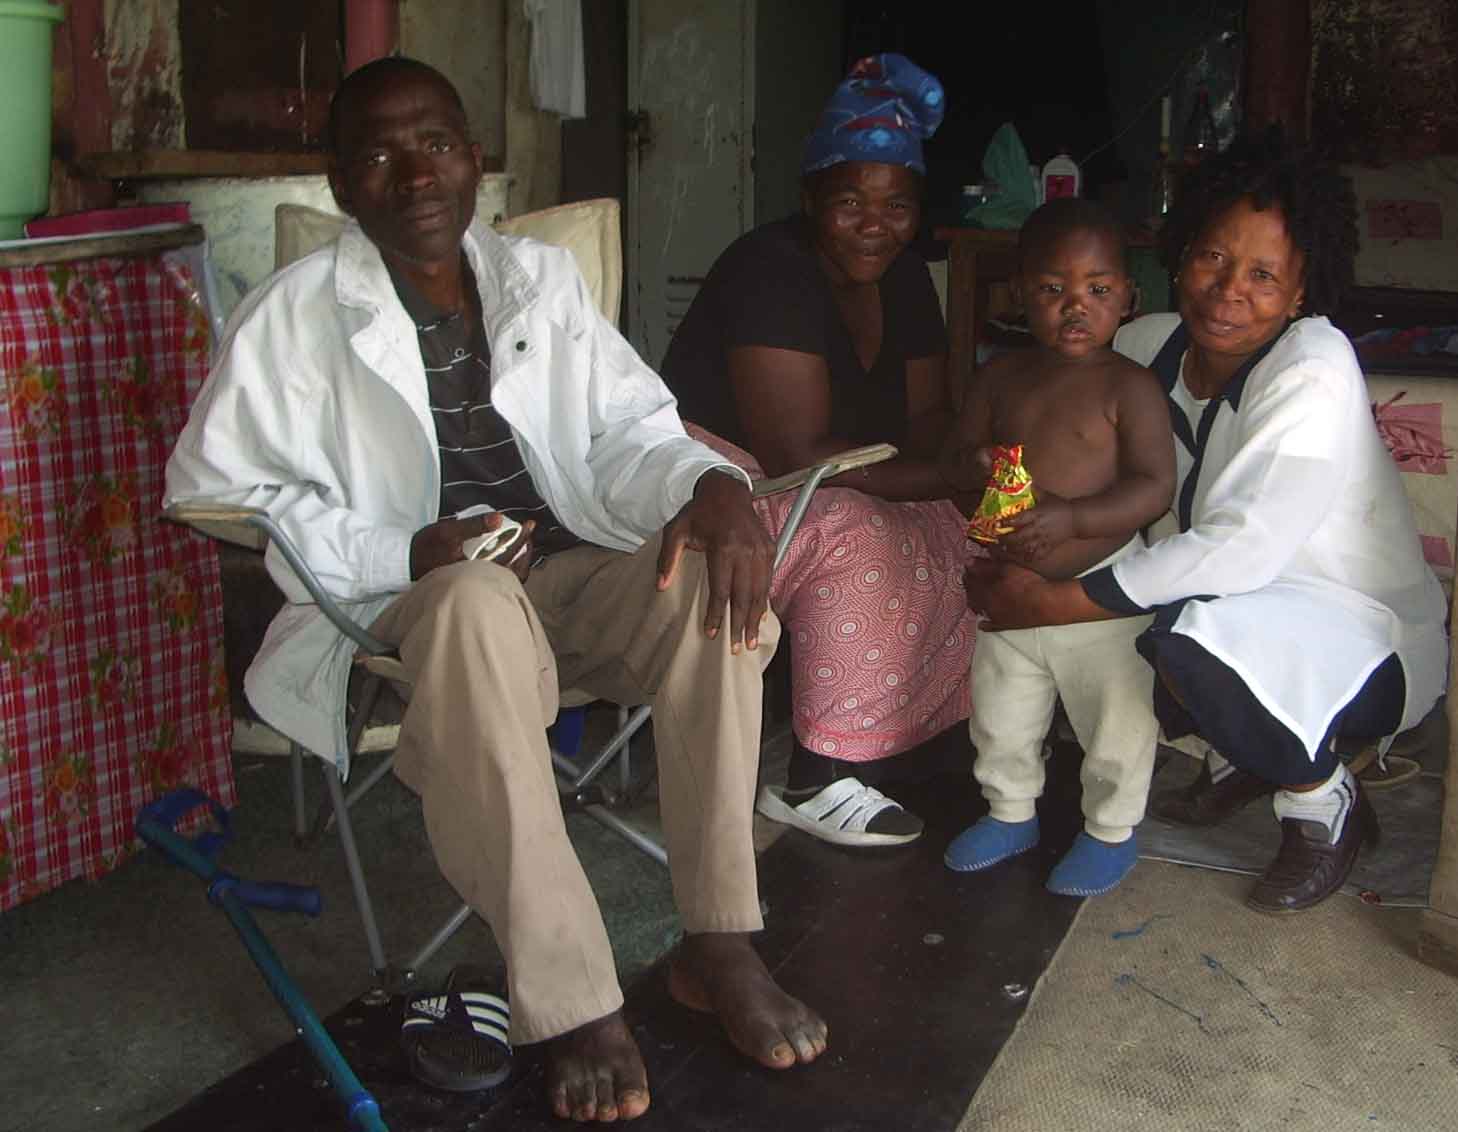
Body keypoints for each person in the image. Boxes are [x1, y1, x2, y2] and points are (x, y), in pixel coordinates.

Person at [165, 57, 827, 1123]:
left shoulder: (539, 280)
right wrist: (405, 549)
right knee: (473, 601)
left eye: (434, 143)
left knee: (708, 580)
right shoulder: (291, 317)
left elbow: (629, 432)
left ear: (475, 158)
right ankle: (571, 1005)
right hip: (421, 606)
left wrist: (707, 484)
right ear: (341, 183)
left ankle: (720, 941)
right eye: (378, 154)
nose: (414, 174)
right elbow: (221, 490)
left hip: (573, 571)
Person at [963, 131, 1449, 914]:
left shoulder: (1313, 366)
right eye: (1214, 258)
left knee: (1178, 639)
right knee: (1136, 642)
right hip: (1231, 614)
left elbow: (1243, 548)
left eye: (1264, 275)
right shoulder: (1145, 347)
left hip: (1360, 640)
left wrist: (1059, 600)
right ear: (1180, 255)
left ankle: (1320, 800)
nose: (1228, 291)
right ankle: (1245, 756)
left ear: (1301, 291)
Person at [661, 53, 981, 849]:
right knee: (856, 531)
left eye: (897, 205)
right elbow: (793, 449)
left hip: (832, 471)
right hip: (723, 482)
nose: (876, 225)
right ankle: (817, 772)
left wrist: (968, 476)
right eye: (849, 203)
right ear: (810, 201)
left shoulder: (905, 279)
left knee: (966, 527)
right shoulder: (769, 270)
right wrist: (939, 474)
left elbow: (930, 413)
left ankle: (912, 735)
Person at [940, 200, 1176, 895]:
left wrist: (1073, 519)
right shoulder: (998, 377)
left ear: (1128, 298)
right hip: (1010, 587)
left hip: (1100, 592)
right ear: (1019, 295)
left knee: (1117, 721)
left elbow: (1154, 488)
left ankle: (1110, 830)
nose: (1076, 306)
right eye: (1052, 289)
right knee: (1001, 713)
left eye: (1098, 289)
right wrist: (974, 467)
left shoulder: (1130, 386)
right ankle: (1010, 812)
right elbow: (956, 460)